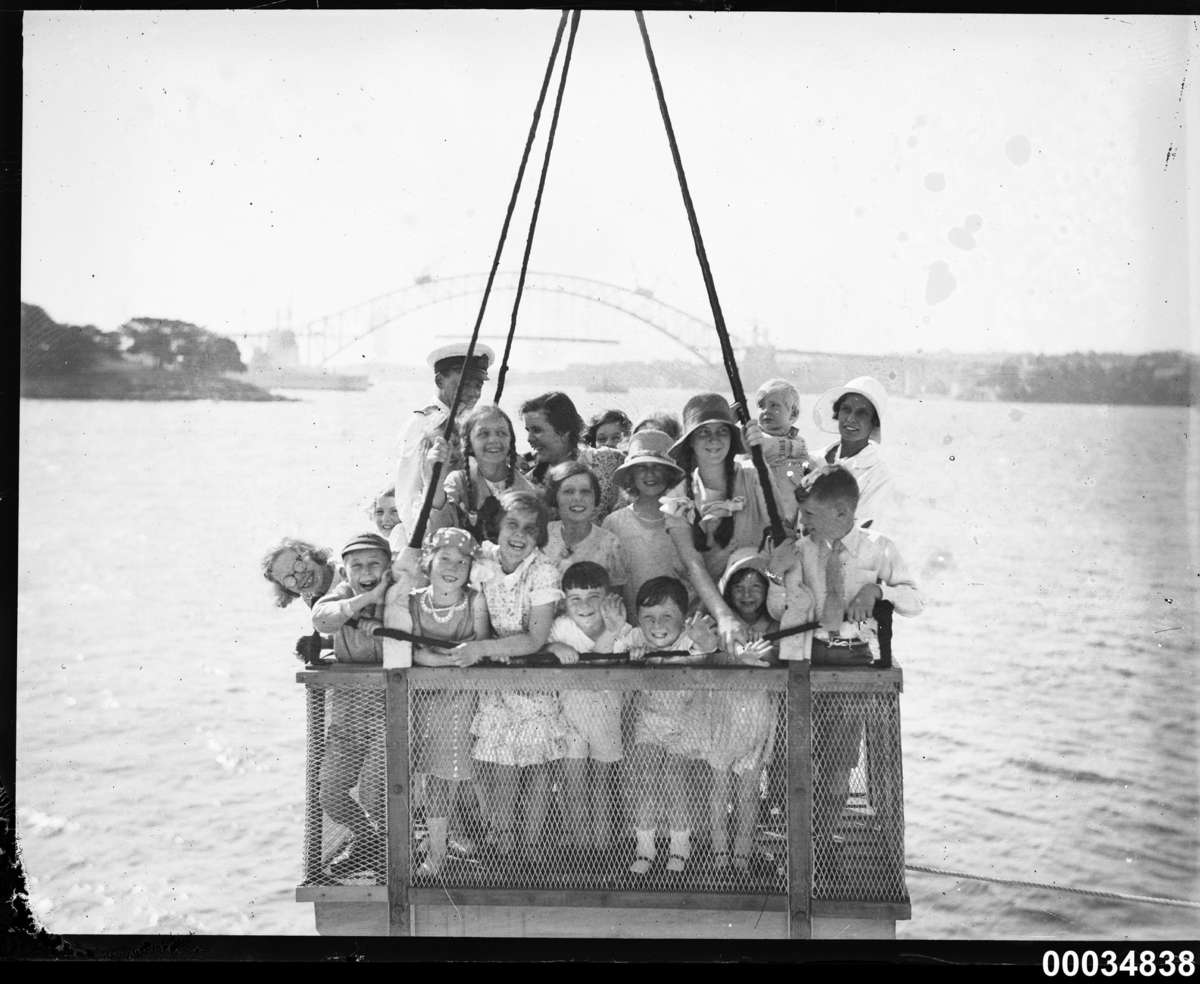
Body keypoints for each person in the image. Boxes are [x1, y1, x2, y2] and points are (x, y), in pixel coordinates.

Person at [768, 467, 922, 846]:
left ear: (841, 513)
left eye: (811, 515)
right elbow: (776, 611)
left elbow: (916, 600)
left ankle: (822, 838)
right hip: (807, 658)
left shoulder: (879, 547)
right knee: (796, 757)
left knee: (840, 762)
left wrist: (877, 592)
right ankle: (797, 841)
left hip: (853, 661)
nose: (803, 522)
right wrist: (775, 573)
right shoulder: (800, 550)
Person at [450, 491, 573, 856]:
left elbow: (535, 638)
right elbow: (479, 621)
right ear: (497, 527)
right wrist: (486, 647)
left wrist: (484, 650)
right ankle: (503, 846)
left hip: (533, 675)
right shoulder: (483, 561)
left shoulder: (544, 570)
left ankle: (530, 849)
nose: (520, 535)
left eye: (530, 529)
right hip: (497, 675)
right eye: (513, 525)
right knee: (499, 767)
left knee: (536, 768)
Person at [407, 528, 491, 876]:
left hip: (463, 702)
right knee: (424, 779)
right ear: (429, 560)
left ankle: (470, 847)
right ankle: (436, 845)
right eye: (445, 558)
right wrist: (441, 660)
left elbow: (479, 650)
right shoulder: (412, 601)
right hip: (421, 702)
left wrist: (434, 658)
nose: (453, 567)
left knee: (458, 778)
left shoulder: (474, 601)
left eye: (462, 561)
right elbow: (410, 651)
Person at [625, 576, 722, 876]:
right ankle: (645, 849)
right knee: (645, 781)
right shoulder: (635, 639)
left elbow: (710, 650)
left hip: (686, 723)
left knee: (675, 782)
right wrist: (633, 657)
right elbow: (619, 644)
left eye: (667, 616)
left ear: (683, 616)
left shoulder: (690, 639)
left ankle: (680, 849)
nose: (657, 625)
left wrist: (704, 641)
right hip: (649, 721)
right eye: (648, 618)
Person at [309, 532, 393, 880]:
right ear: (345, 572)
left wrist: (381, 598)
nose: (366, 570)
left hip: (389, 712)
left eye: (374, 563)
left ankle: (391, 854)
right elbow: (322, 618)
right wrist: (365, 599)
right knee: (329, 792)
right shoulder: (342, 594)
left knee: (376, 795)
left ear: (389, 567)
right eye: (356, 565)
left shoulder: (400, 596)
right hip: (348, 713)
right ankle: (370, 843)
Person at [660, 393, 771, 649]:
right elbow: (693, 565)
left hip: (755, 607)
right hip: (707, 615)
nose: (713, 440)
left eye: (722, 431)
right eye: (703, 433)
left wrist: (761, 458)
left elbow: (782, 529)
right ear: (690, 443)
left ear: (732, 439)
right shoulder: (677, 497)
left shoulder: (754, 477)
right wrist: (724, 617)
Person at [694, 549, 778, 875]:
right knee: (718, 794)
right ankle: (719, 857)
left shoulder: (773, 625)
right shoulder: (719, 626)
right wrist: (735, 658)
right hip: (721, 719)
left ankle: (741, 859)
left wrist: (762, 655)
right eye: (740, 586)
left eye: (756, 587)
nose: (747, 594)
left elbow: (774, 662)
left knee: (748, 796)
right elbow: (709, 660)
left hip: (756, 720)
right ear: (728, 589)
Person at [542, 561, 632, 852]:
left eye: (594, 597)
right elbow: (541, 646)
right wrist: (554, 648)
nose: (585, 605)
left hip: (607, 719)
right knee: (574, 785)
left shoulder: (624, 628)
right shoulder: (560, 628)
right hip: (570, 719)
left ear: (608, 597)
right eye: (575, 599)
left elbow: (611, 660)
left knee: (602, 786)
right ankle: (580, 848)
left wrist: (615, 633)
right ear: (564, 602)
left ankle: (602, 849)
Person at [393, 342, 495, 532]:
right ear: (440, 381)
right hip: (433, 531)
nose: (474, 393)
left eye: (478, 385)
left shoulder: (473, 424)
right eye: (464, 384)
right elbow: (407, 493)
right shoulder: (421, 424)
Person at [601, 429, 690, 619]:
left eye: (658, 467)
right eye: (642, 467)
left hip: (683, 628)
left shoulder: (685, 516)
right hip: (635, 633)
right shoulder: (614, 523)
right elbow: (613, 587)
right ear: (631, 475)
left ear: (670, 473)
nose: (650, 474)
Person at [424, 403, 535, 545]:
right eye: (484, 434)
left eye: (502, 433)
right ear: (468, 442)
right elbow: (437, 533)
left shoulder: (526, 490)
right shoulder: (458, 481)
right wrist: (435, 477)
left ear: (510, 441)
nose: (494, 440)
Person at [801, 375, 897, 530]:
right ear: (837, 413)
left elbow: (860, 529)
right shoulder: (813, 458)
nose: (851, 418)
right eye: (846, 409)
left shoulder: (878, 475)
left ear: (874, 423)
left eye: (862, 413)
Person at [519, 391, 624, 519]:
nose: (529, 439)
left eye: (536, 430)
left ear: (564, 431)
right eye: (528, 431)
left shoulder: (608, 461)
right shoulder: (531, 480)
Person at [542, 460, 627, 598]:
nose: (578, 498)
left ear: (595, 497)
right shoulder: (542, 536)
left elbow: (614, 600)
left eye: (585, 491)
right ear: (555, 497)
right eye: (568, 491)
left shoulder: (610, 544)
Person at [742, 378, 818, 529]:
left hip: (794, 516)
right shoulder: (760, 440)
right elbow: (761, 448)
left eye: (774, 405)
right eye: (761, 406)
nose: (765, 411)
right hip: (767, 515)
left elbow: (807, 464)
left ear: (793, 414)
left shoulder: (799, 441)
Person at [261, 537, 341, 664]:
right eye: (289, 579)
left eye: (299, 565)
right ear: (287, 589)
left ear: (310, 553)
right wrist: (325, 642)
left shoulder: (348, 575)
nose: (300, 577)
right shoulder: (309, 595)